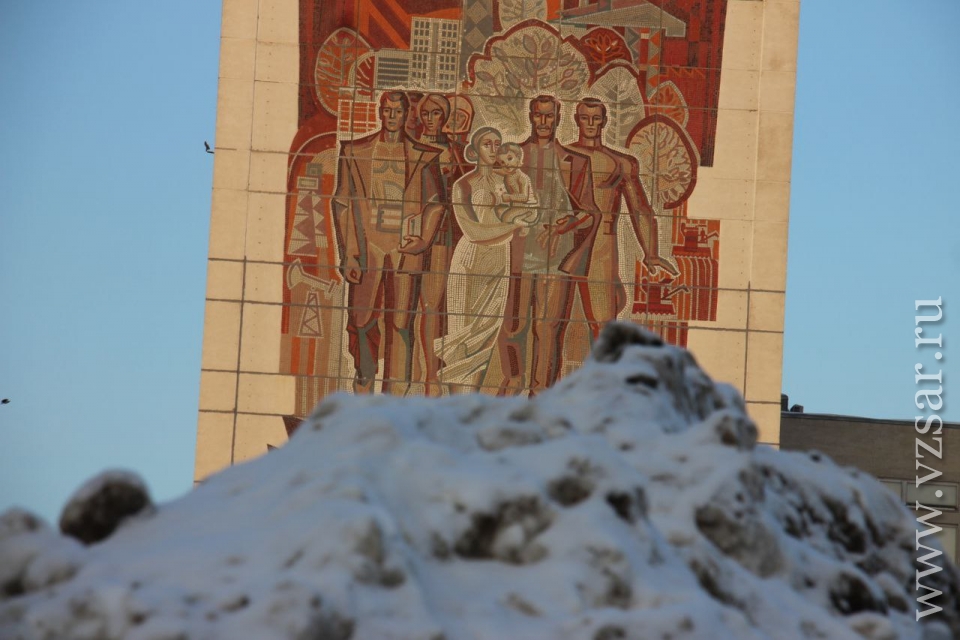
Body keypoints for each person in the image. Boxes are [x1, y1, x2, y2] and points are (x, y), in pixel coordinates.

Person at [332, 91, 446, 394]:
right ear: (380, 112)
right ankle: (364, 382)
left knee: (400, 324)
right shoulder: (355, 151)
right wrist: (349, 253)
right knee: (362, 321)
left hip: (404, 249)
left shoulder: (425, 155)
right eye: (386, 110)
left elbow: (436, 204)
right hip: (368, 248)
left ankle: (394, 396)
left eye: (397, 111)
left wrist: (423, 239)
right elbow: (342, 203)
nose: (392, 116)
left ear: (407, 114)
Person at [495, 95, 597, 395]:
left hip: (556, 255)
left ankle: (540, 394)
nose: (543, 121)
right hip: (517, 253)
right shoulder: (512, 156)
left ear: (558, 118)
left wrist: (568, 223)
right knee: (512, 327)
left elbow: (590, 213)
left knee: (547, 327)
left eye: (549, 116)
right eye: (538, 115)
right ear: (530, 116)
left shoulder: (575, 162)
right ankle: (513, 381)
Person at [567, 97, 679, 338]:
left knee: (604, 321)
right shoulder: (561, 154)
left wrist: (651, 252)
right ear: (576, 120)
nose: (590, 124)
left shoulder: (622, 163)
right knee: (550, 319)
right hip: (564, 241)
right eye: (585, 118)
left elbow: (640, 209)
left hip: (601, 246)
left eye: (596, 118)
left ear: (604, 121)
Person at [436, 128, 537, 392]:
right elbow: (473, 231)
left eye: (497, 144)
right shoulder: (464, 184)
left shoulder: (509, 181)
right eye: (487, 144)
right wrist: (513, 225)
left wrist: (524, 216)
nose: (493, 149)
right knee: (462, 334)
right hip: (470, 261)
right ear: (474, 150)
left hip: (499, 259)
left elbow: (529, 208)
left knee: (486, 335)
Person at [415, 93, 469, 395]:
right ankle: (430, 375)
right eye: (426, 113)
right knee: (430, 305)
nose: (430, 119)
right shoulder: (413, 147)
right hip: (421, 230)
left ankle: (449, 373)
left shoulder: (456, 150)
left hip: (450, 232)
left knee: (450, 305)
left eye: (436, 113)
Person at [493, 143, 538, 226]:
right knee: (499, 211)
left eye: (509, 158)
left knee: (506, 218)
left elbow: (524, 197)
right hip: (517, 208)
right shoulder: (509, 174)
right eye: (502, 162)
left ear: (518, 158)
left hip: (529, 209)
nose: (506, 164)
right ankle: (516, 220)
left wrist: (508, 197)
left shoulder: (522, 177)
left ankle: (525, 223)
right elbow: (497, 171)